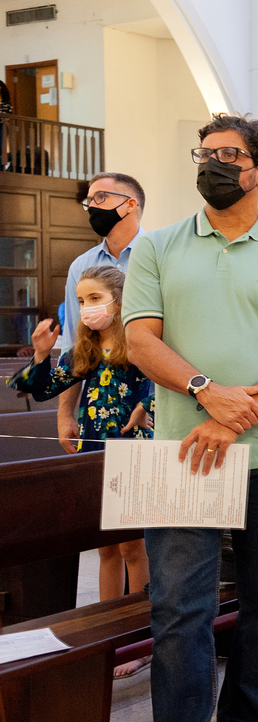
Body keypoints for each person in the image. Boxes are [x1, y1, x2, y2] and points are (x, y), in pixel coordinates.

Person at [124, 113, 258, 722]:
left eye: (230, 155)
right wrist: (206, 393)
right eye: (205, 153)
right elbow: (138, 340)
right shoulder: (157, 246)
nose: (213, 165)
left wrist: (243, 413)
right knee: (179, 612)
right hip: (180, 450)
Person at [10, 265, 154, 678]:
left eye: (94, 299)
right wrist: (40, 353)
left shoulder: (140, 343)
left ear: (119, 302)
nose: (87, 308)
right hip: (94, 453)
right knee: (104, 548)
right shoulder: (82, 352)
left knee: (131, 547)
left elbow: (163, 385)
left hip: (133, 452)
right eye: (81, 301)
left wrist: (149, 404)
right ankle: (105, 637)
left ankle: (138, 640)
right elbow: (38, 389)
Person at [57, 172, 148, 455]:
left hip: (150, 394)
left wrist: (152, 401)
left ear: (130, 204)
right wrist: (65, 414)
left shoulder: (159, 254)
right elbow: (75, 342)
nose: (92, 206)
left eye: (101, 197)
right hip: (99, 399)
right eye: (89, 201)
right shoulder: (81, 266)